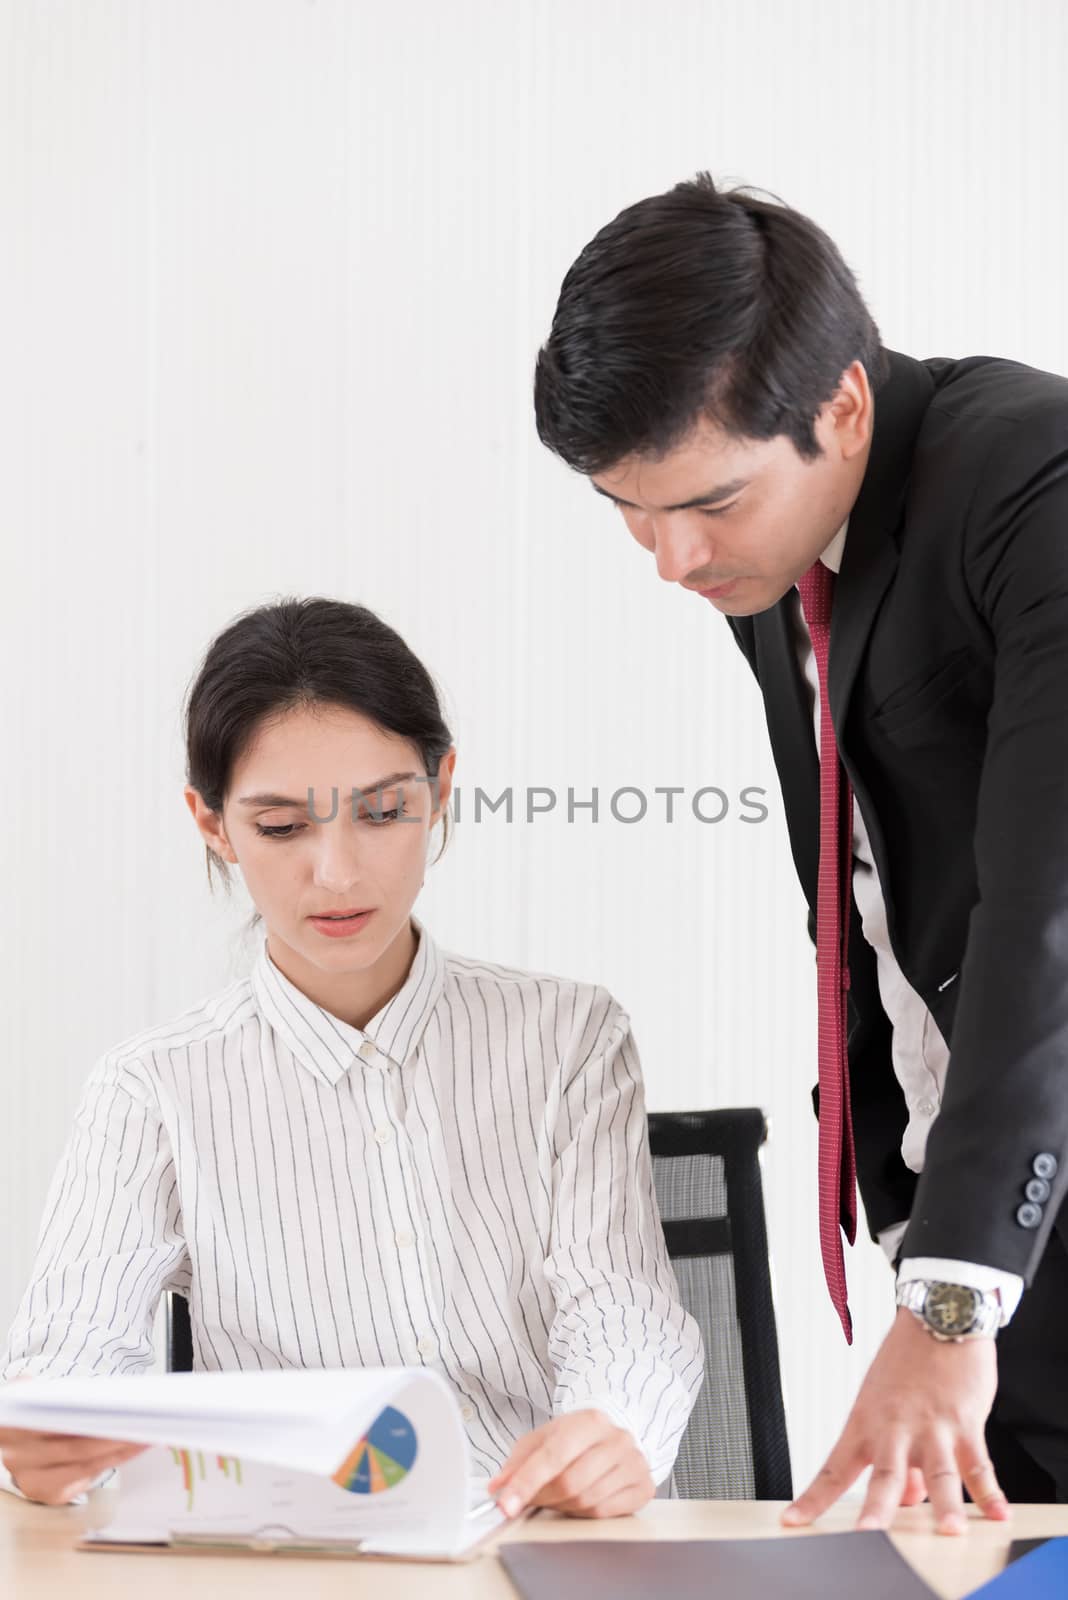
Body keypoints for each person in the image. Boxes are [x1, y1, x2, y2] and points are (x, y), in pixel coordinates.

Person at [532, 172, 1068, 1531]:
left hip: (1004, 1227)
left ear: (841, 404)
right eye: (626, 512)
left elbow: (1044, 912)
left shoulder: (1036, 485)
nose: (670, 558)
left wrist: (950, 1294)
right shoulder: (767, 558)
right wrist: (917, 1237)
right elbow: (861, 897)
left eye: (703, 502)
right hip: (994, 1252)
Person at [0, 596, 702, 1515]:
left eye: (381, 812)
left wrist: (614, 1428)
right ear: (212, 825)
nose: (335, 873)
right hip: (290, 1551)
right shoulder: (154, 1088)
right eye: (281, 827)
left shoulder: (567, 1037)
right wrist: (53, 1443)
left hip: (538, 1534)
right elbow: (69, 1365)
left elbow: (622, 1309)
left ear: (441, 790)